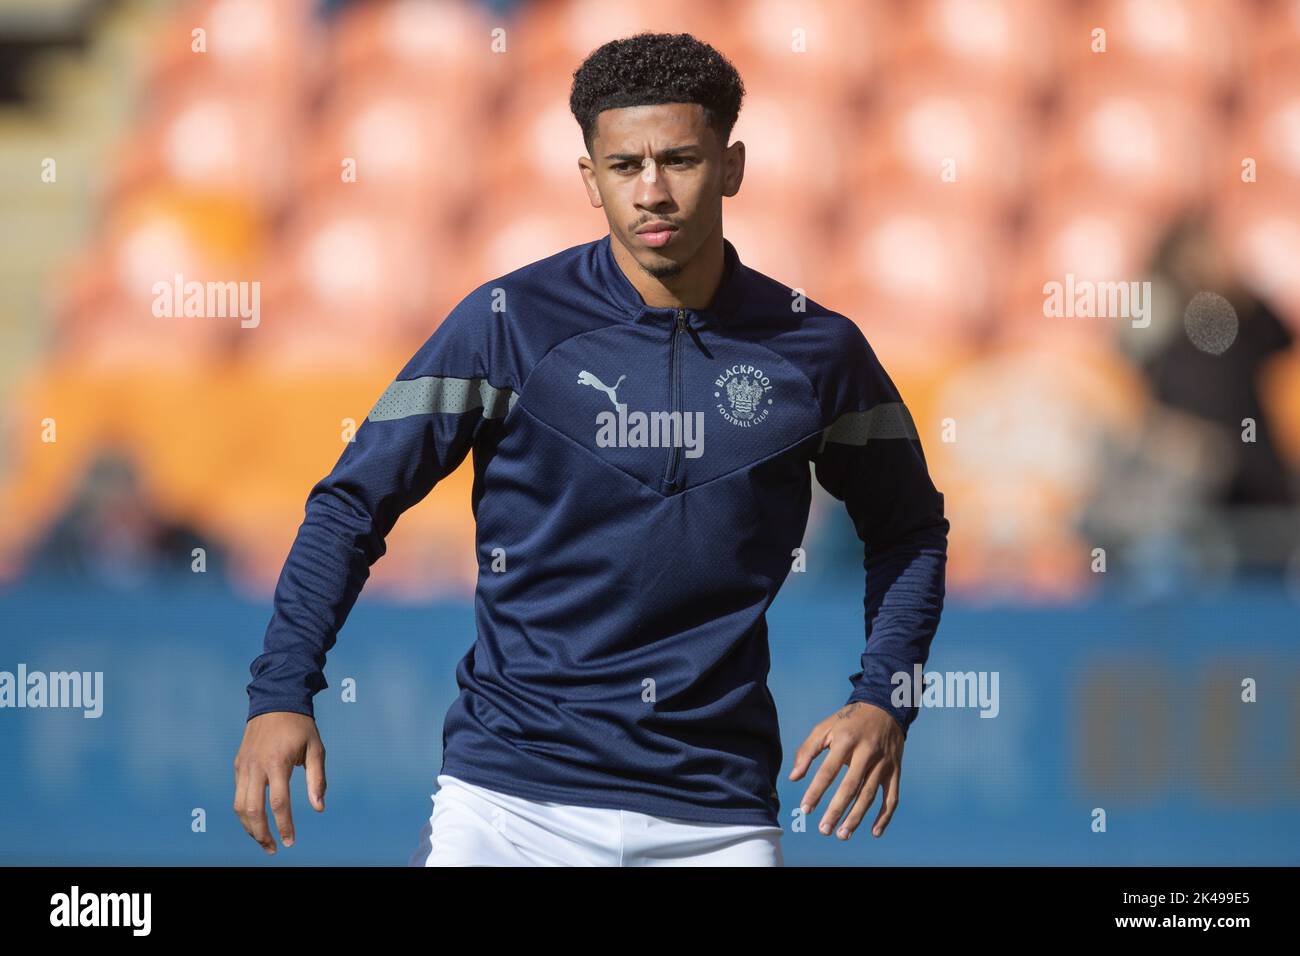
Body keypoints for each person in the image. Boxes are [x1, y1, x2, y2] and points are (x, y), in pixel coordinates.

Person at [233, 32, 949, 866]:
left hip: (715, 815)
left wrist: (886, 700)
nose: (652, 192)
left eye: (680, 159)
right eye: (624, 167)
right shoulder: (506, 325)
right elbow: (351, 503)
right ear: (589, 178)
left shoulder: (817, 351)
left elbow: (911, 530)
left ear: (733, 165)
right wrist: (280, 693)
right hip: (506, 804)